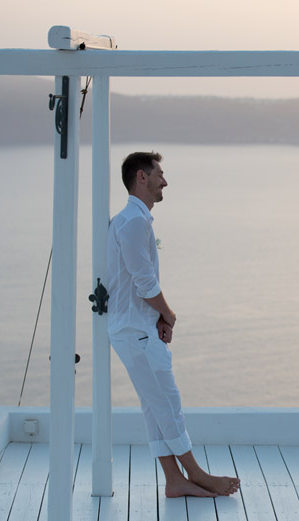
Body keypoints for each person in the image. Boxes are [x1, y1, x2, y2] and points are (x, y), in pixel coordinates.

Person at [107, 151, 240, 498]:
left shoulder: (131, 221)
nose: (164, 181)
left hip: (138, 328)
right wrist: (169, 314)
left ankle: (174, 480)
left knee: (155, 406)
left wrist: (157, 319)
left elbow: (137, 283)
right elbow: (144, 282)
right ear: (141, 177)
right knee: (167, 403)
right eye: (159, 174)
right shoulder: (132, 222)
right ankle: (196, 474)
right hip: (135, 331)